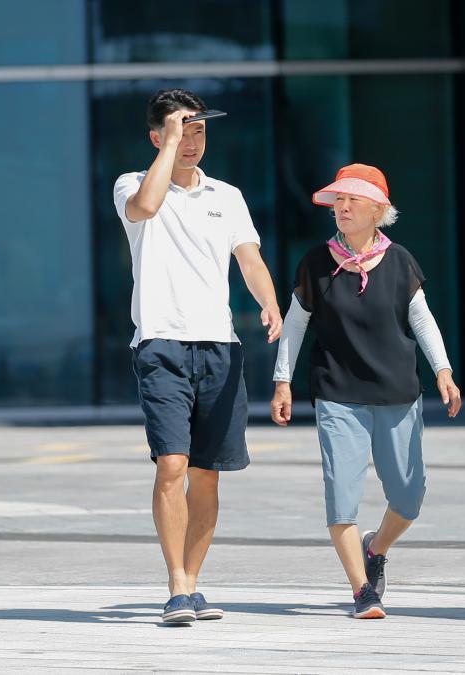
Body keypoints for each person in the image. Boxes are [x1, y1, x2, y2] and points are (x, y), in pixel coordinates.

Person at [113, 89, 282, 624]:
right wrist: (170, 145)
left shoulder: (226, 196)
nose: (192, 142)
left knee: (207, 475)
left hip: (220, 347)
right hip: (160, 343)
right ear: (156, 136)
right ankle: (176, 584)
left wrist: (269, 301)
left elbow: (249, 258)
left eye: (199, 131)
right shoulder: (131, 185)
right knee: (172, 464)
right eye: (180, 131)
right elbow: (146, 208)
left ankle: (191, 582)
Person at [270, 164, 461, 619]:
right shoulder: (316, 262)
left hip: (398, 393)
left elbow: (422, 320)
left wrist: (443, 370)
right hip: (337, 394)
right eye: (338, 199)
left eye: (353, 199)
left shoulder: (400, 261)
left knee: (408, 497)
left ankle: (375, 549)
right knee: (341, 496)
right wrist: (282, 381)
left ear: (378, 210)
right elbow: (295, 325)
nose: (343, 207)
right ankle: (362, 591)